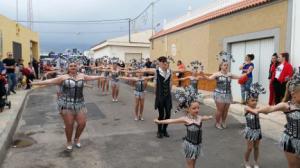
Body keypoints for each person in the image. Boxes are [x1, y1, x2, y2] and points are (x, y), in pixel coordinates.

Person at [31, 62, 104, 151]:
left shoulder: (82, 76)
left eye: (74, 66)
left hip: (79, 103)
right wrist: (36, 83)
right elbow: (49, 81)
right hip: (66, 104)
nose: (73, 67)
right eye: (71, 66)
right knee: (69, 124)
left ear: (77, 67)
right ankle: (69, 141)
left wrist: (100, 76)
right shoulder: (63, 77)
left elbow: (91, 77)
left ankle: (76, 139)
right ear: (68, 68)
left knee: (82, 123)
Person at [154, 86, 213, 168]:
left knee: (193, 164)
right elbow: (171, 121)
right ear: (188, 109)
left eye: (198, 108)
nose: (197, 110)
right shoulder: (186, 119)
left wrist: (209, 117)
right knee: (190, 165)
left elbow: (204, 117)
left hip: (197, 145)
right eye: (194, 108)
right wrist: (160, 121)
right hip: (190, 146)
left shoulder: (199, 118)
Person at [251, 72, 300, 168]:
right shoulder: (287, 106)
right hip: (291, 141)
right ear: (293, 93)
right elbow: (270, 109)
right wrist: (257, 110)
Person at [202, 59, 245, 129]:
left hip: (228, 94)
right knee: (220, 110)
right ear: (221, 66)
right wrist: (203, 75)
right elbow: (209, 79)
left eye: (227, 65)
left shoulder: (229, 74)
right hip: (219, 94)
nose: (226, 66)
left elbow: (239, 77)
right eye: (224, 65)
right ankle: (217, 122)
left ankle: (223, 121)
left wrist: (247, 72)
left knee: (226, 110)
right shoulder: (217, 74)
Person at [243, 83, 266, 168]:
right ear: (247, 101)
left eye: (256, 100)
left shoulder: (257, 108)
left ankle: (256, 162)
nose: (255, 102)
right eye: (252, 100)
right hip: (249, 131)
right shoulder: (246, 108)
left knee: (256, 147)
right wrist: (261, 110)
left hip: (257, 130)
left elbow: (263, 111)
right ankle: (246, 162)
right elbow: (255, 112)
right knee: (249, 148)